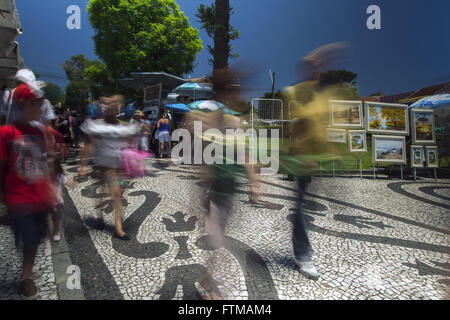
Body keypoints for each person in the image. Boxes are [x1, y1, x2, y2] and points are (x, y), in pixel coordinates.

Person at [0, 82, 56, 300]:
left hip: (40, 197)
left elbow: (45, 163)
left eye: (42, 104)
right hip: (19, 198)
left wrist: (51, 188)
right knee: (30, 239)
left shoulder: (39, 132)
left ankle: (27, 273)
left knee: (35, 240)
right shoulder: (6, 133)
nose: (41, 109)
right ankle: (26, 278)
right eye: (37, 104)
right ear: (23, 105)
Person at [78, 95, 139, 240]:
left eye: (116, 104)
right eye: (110, 104)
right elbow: (88, 144)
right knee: (115, 192)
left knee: (115, 192)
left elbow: (130, 144)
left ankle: (100, 218)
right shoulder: (96, 125)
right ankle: (118, 228)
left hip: (120, 167)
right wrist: (83, 165)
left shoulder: (124, 126)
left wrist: (133, 159)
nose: (113, 106)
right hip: (104, 166)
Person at [47, 155, 73, 242]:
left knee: (56, 218)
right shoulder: (44, 177)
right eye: (46, 166)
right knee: (46, 218)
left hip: (58, 202)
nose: (49, 168)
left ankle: (55, 232)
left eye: (51, 166)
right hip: (45, 202)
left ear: (57, 167)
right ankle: (46, 233)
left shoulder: (59, 176)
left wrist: (72, 183)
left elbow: (67, 182)